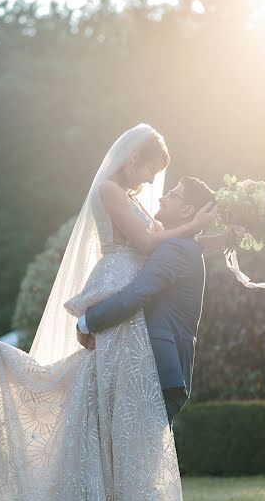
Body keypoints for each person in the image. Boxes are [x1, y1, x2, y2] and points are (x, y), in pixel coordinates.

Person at [0, 124, 216, 501]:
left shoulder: (132, 197)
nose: (153, 180)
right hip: (118, 285)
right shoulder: (109, 190)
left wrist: (214, 231)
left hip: (129, 300)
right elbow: (149, 242)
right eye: (150, 169)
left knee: (116, 398)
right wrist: (192, 225)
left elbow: (166, 246)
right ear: (133, 159)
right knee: (110, 392)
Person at [76, 176, 245, 428]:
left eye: (173, 195)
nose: (162, 197)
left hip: (157, 366)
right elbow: (193, 242)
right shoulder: (183, 245)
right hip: (162, 365)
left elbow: (137, 293)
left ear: (187, 210)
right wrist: (223, 237)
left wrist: (87, 321)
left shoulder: (176, 248)